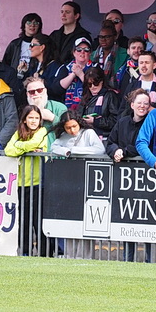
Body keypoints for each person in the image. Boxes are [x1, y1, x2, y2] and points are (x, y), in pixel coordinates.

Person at [51, 110, 106, 259]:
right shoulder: (64, 136)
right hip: (71, 182)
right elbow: (54, 147)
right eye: (68, 128)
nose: (72, 131)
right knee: (71, 218)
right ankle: (70, 254)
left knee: (86, 220)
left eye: (74, 126)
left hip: (88, 181)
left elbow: (100, 150)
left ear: (79, 123)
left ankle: (86, 255)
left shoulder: (88, 133)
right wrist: (66, 151)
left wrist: (74, 150)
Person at [106, 88, 151, 262]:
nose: (142, 106)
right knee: (127, 218)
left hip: (146, 178)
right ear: (132, 105)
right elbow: (110, 142)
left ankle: (149, 259)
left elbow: (145, 145)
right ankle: (127, 259)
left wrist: (123, 151)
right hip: (124, 179)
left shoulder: (151, 122)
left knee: (146, 220)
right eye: (139, 103)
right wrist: (115, 151)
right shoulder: (122, 122)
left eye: (145, 104)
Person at [4, 105, 51, 257]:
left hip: (39, 183)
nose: (34, 121)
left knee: (39, 220)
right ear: (24, 119)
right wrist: (24, 147)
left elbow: (33, 143)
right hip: (21, 183)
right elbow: (8, 150)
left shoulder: (42, 131)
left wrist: (20, 146)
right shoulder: (18, 133)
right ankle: (24, 252)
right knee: (23, 220)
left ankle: (46, 253)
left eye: (37, 118)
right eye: (30, 117)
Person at [50, 37, 94, 109]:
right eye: (79, 49)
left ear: (90, 53)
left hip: (88, 107)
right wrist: (73, 74)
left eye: (86, 50)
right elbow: (56, 89)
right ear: (74, 52)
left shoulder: (95, 67)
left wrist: (81, 74)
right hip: (66, 108)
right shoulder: (65, 67)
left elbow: (95, 88)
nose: (82, 52)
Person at [24, 76, 67, 150]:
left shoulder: (59, 107)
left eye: (39, 90)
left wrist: (52, 118)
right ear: (27, 94)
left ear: (45, 91)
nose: (36, 93)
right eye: (32, 92)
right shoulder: (25, 112)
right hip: (33, 157)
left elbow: (69, 130)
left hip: (56, 156)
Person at [79, 66, 120, 141]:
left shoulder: (110, 96)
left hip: (106, 138)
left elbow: (116, 121)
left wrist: (95, 121)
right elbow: (78, 116)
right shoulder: (85, 98)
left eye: (96, 83)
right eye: (89, 84)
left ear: (102, 82)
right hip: (87, 137)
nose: (93, 87)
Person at [23, 32, 66, 103]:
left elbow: (56, 90)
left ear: (42, 47)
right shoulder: (34, 66)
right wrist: (23, 73)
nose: (30, 48)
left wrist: (40, 80)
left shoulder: (58, 67)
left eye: (32, 45)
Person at [3, 13, 42, 80]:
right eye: (29, 23)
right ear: (24, 25)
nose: (32, 25)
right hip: (16, 79)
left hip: (35, 79)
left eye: (36, 23)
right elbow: (5, 64)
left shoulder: (43, 43)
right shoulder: (14, 44)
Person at [92, 19, 128, 89]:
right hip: (94, 93)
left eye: (107, 37)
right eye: (101, 37)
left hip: (117, 93)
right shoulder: (92, 56)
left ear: (115, 37)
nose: (103, 40)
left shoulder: (125, 55)